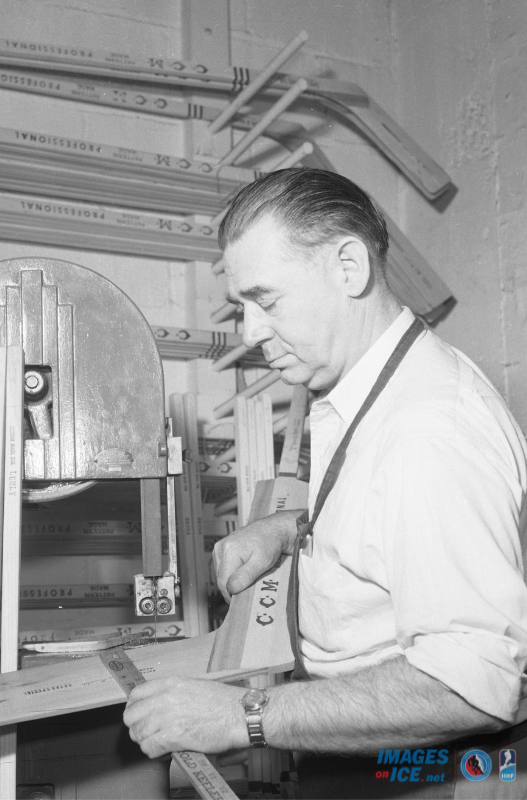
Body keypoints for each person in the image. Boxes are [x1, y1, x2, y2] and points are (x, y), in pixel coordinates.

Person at [123, 168, 527, 796]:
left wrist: (240, 717)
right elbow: (384, 517)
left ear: (348, 267)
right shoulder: (371, 389)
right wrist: (289, 529)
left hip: (432, 769)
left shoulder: (429, 431)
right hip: (371, 742)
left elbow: (471, 685)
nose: (251, 332)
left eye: (267, 301)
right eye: (242, 307)